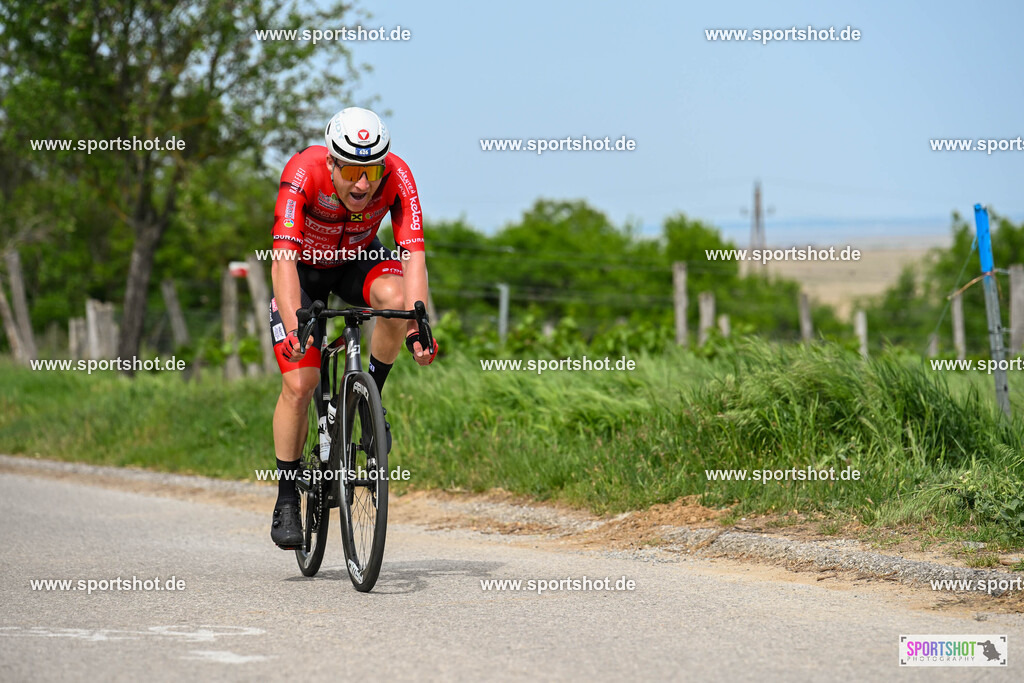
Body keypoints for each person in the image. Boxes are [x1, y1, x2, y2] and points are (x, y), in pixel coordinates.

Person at [267, 107, 437, 549]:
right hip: (303, 272)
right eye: (352, 172)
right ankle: (287, 497)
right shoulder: (302, 172)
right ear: (331, 163)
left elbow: (412, 254)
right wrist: (293, 328)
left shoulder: (399, 177)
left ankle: (369, 400)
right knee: (300, 383)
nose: (364, 185)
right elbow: (283, 258)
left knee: (396, 302)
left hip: (355, 262)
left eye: (373, 171)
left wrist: (418, 323)